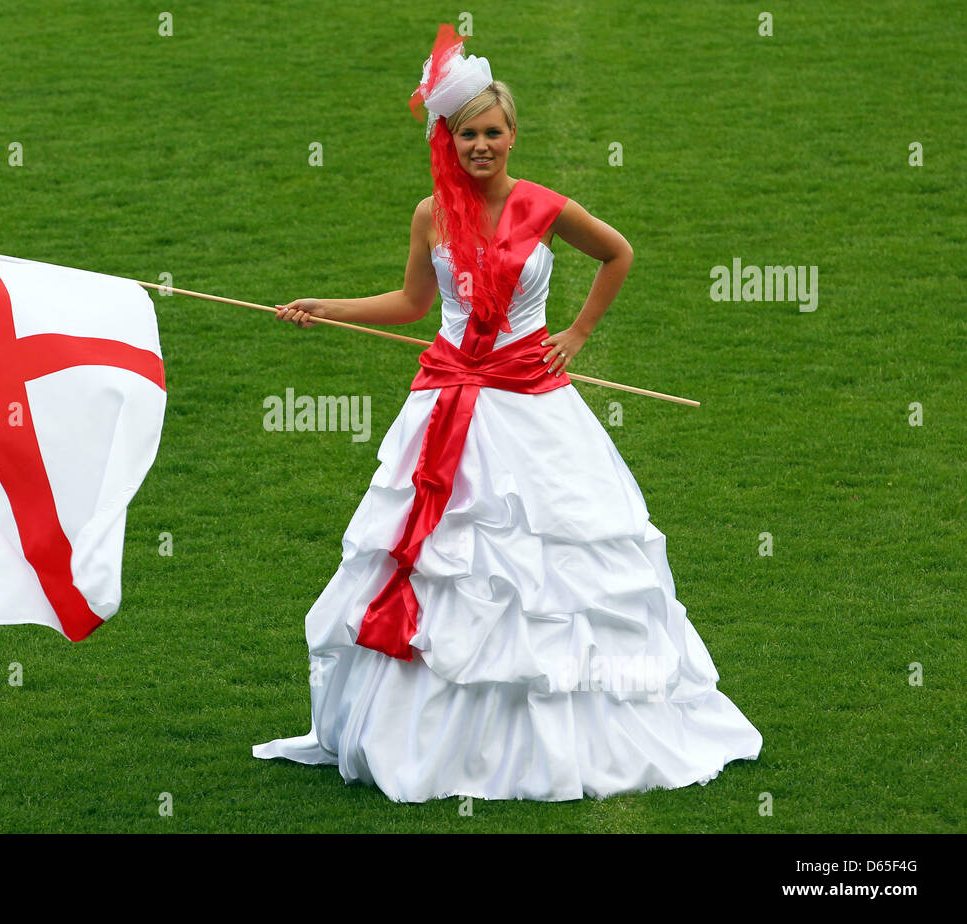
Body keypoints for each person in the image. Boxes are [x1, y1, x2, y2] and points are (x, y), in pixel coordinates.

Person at [253, 24, 763, 803]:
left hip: (532, 398)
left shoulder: (546, 206)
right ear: (448, 139)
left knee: (548, 557)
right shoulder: (431, 215)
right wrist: (328, 307)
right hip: (451, 396)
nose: (481, 146)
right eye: (468, 134)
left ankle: (570, 727)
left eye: (493, 132)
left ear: (513, 134)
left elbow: (618, 253)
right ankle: (430, 736)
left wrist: (579, 332)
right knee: (444, 560)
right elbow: (417, 303)